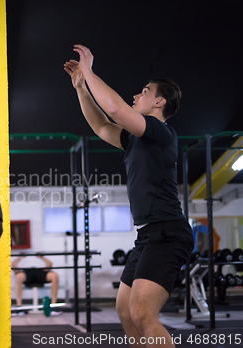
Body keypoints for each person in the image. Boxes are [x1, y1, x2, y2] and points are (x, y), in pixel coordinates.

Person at [64, 45, 193, 348]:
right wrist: (82, 87)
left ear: (159, 102)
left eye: (144, 91)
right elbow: (100, 125)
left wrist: (91, 71)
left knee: (143, 313)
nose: (137, 95)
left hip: (169, 233)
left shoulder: (161, 133)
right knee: (125, 311)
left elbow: (116, 110)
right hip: (147, 236)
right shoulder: (136, 139)